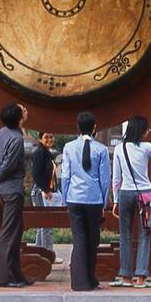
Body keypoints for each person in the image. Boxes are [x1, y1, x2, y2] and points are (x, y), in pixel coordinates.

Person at [111, 116, 151, 288]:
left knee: (125, 236)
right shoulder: (147, 147)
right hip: (146, 195)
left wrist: (116, 201)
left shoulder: (119, 148)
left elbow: (116, 178)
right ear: (142, 131)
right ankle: (141, 278)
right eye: (146, 130)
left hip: (125, 194)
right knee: (144, 235)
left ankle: (126, 277)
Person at [61, 111, 110, 291]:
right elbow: (105, 178)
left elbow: (65, 175)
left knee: (79, 238)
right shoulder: (102, 149)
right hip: (94, 199)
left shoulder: (68, 147)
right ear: (95, 128)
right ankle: (89, 278)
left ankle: (81, 280)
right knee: (92, 239)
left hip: (74, 198)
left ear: (78, 128)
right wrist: (104, 202)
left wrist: (66, 199)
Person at [0, 101, 33, 288]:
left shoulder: (0, 134)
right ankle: (5, 276)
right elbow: (8, 164)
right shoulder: (16, 139)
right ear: (18, 118)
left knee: (15, 231)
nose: (25, 111)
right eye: (22, 111)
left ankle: (17, 274)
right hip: (12, 189)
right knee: (9, 233)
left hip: (2, 189)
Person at [30, 131, 59, 257]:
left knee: (42, 224)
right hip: (39, 192)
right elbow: (36, 174)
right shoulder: (40, 153)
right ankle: (47, 253)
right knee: (46, 223)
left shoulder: (47, 153)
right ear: (40, 139)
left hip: (44, 190)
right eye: (46, 137)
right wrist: (45, 190)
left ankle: (40, 252)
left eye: (51, 136)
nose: (49, 139)